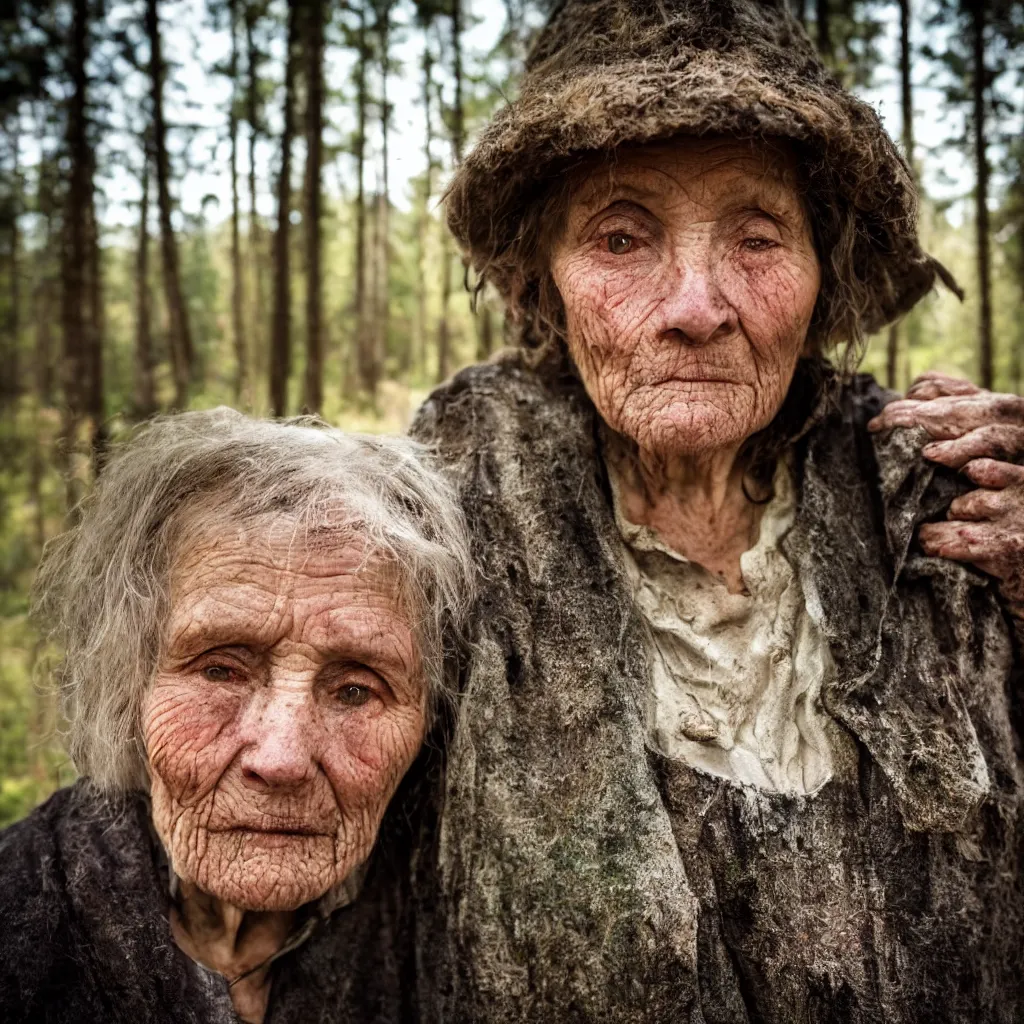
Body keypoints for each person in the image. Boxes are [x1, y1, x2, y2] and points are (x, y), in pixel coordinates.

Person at [377, 1, 1024, 1021]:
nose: (693, 305)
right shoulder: (443, 517)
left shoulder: (945, 508)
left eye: (756, 238)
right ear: (543, 279)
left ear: (825, 274)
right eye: (622, 237)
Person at [0, 409, 473, 1024]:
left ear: (429, 721)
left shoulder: (468, 940)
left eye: (356, 690)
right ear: (127, 685)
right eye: (220, 670)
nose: (281, 759)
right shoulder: (18, 914)